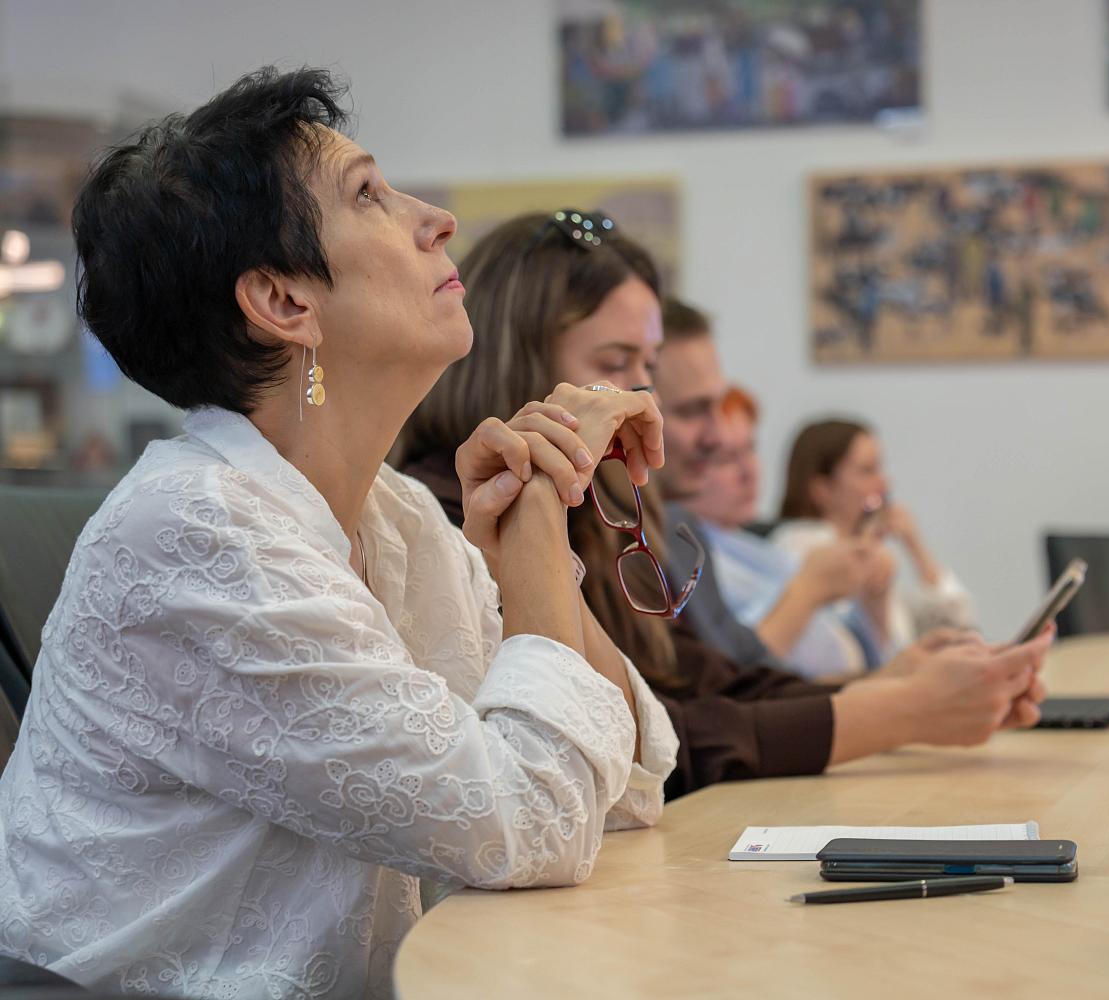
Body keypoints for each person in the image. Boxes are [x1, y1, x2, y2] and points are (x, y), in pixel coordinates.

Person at [0, 69, 678, 999]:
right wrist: (532, 540)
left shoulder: (390, 515)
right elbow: (536, 825)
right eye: (370, 196)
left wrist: (530, 528)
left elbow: (635, 783)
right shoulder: (200, 531)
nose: (434, 217)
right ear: (283, 302)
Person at [400, 222, 1052, 799]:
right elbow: (650, 739)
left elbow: (703, 682)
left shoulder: (607, 505)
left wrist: (886, 688)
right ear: (516, 363)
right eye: (615, 363)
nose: (642, 397)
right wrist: (900, 711)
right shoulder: (459, 513)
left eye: (647, 367)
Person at [683, 384, 885, 680]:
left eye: (751, 449)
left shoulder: (756, 548)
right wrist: (809, 590)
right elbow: (732, 676)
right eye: (725, 458)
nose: (748, 471)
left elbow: (863, 649)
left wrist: (876, 596)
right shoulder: (690, 563)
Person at [773, 418, 978, 659]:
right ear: (822, 489)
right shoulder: (800, 548)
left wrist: (915, 546)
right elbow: (867, 653)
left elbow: (961, 623)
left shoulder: (867, 549)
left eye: (880, 469)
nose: (884, 483)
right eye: (867, 471)